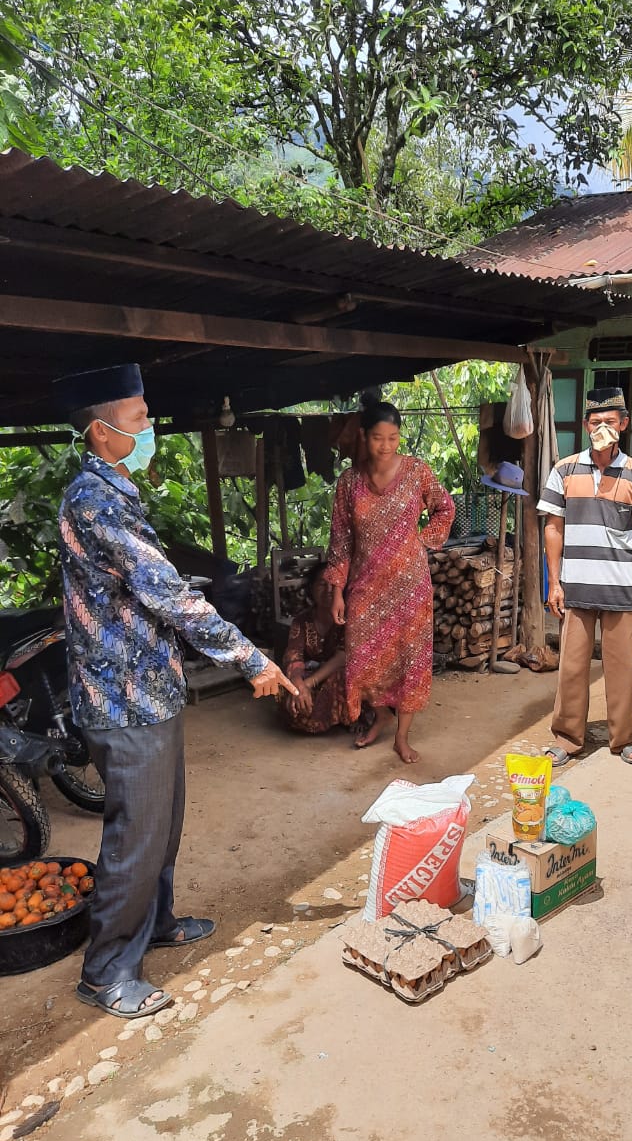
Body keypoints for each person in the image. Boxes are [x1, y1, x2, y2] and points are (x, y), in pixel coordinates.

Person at [56, 363, 296, 1019]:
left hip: (150, 691)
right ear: (103, 433)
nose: (151, 427)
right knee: (137, 834)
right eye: (138, 418)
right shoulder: (96, 499)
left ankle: (154, 924)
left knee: (162, 826)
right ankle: (106, 972)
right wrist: (250, 659)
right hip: (122, 701)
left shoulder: (116, 487)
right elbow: (168, 595)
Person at [325, 400, 455, 764]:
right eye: (378, 438)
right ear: (364, 437)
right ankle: (380, 714)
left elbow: (445, 507)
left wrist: (423, 540)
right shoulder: (349, 482)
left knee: (409, 656)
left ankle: (403, 735)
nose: (386, 445)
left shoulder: (416, 472)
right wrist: (337, 591)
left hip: (409, 584)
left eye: (393, 437)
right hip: (365, 586)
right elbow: (340, 539)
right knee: (363, 655)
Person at [538, 387, 632, 767]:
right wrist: (554, 583)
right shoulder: (564, 470)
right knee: (572, 668)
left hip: (622, 588)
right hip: (576, 586)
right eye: (595, 422)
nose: (601, 428)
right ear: (585, 426)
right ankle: (567, 737)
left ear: (623, 425)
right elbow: (553, 529)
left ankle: (624, 739)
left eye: (609, 421)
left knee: (622, 668)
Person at [281, 559, 364, 735]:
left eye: (334, 585)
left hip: (335, 676)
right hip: (314, 677)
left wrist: (309, 684)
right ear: (311, 588)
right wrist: (298, 686)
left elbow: (343, 657)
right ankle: (334, 716)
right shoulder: (301, 621)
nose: (328, 590)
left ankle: (355, 715)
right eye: (321, 584)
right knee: (285, 690)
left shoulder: (350, 618)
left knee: (347, 676)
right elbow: (293, 656)